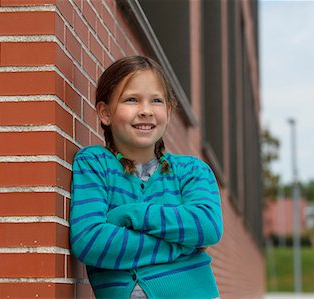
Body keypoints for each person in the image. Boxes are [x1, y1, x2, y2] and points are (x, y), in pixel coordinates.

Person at [69, 55, 223, 299]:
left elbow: (208, 226)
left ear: (169, 112)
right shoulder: (94, 163)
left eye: (156, 101)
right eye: (132, 100)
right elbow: (90, 241)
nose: (146, 111)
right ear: (105, 112)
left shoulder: (192, 170)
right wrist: (182, 244)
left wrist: (128, 215)